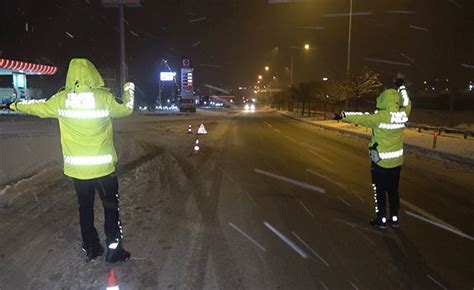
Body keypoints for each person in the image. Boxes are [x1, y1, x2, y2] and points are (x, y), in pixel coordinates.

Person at [1, 58, 134, 262]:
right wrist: (129, 89)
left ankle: (91, 247)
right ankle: (114, 250)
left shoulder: (60, 99)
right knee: (110, 208)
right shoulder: (104, 98)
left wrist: (14, 104)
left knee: (85, 208)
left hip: (78, 172)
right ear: (93, 74)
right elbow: (127, 108)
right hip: (104, 170)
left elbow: (36, 107)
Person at [334, 74, 411, 229]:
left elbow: (360, 118)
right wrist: (401, 87)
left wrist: (342, 116)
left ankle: (381, 219)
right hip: (396, 163)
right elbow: (407, 103)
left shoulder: (379, 117)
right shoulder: (403, 115)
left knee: (379, 191)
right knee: (393, 191)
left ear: (381, 101)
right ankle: (394, 219)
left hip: (380, 163)